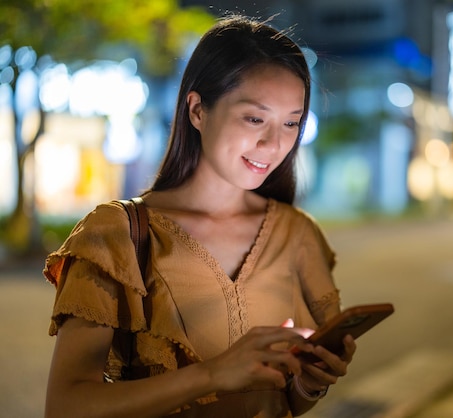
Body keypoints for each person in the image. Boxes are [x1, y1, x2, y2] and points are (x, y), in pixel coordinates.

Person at [44, 15, 356, 418]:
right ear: (197, 110)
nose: (274, 143)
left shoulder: (298, 233)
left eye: (291, 123)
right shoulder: (117, 233)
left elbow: (283, 398)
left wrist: (309, 384)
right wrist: (213, 375)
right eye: (254, 118)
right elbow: (64, 406)